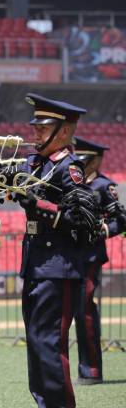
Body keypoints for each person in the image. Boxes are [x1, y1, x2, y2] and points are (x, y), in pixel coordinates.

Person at [0, 94, 101, 408]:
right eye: (36, 126)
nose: (36, 133)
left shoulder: (70, 169)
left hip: (58, 269)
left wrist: (41, 207)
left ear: (65, 131)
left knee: (49, 344)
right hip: (35, 266)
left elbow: (84, 222)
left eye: (44, 127)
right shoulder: (33, 164)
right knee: (36, 345)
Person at [72, 137, 126, 386]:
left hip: (90, 254)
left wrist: (104, 230)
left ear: (97, 161)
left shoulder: (104, 187)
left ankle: (91, 369)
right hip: (67, 253)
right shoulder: (70, 183)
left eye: (86, 161)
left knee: (84, 311)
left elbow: (120, 220)